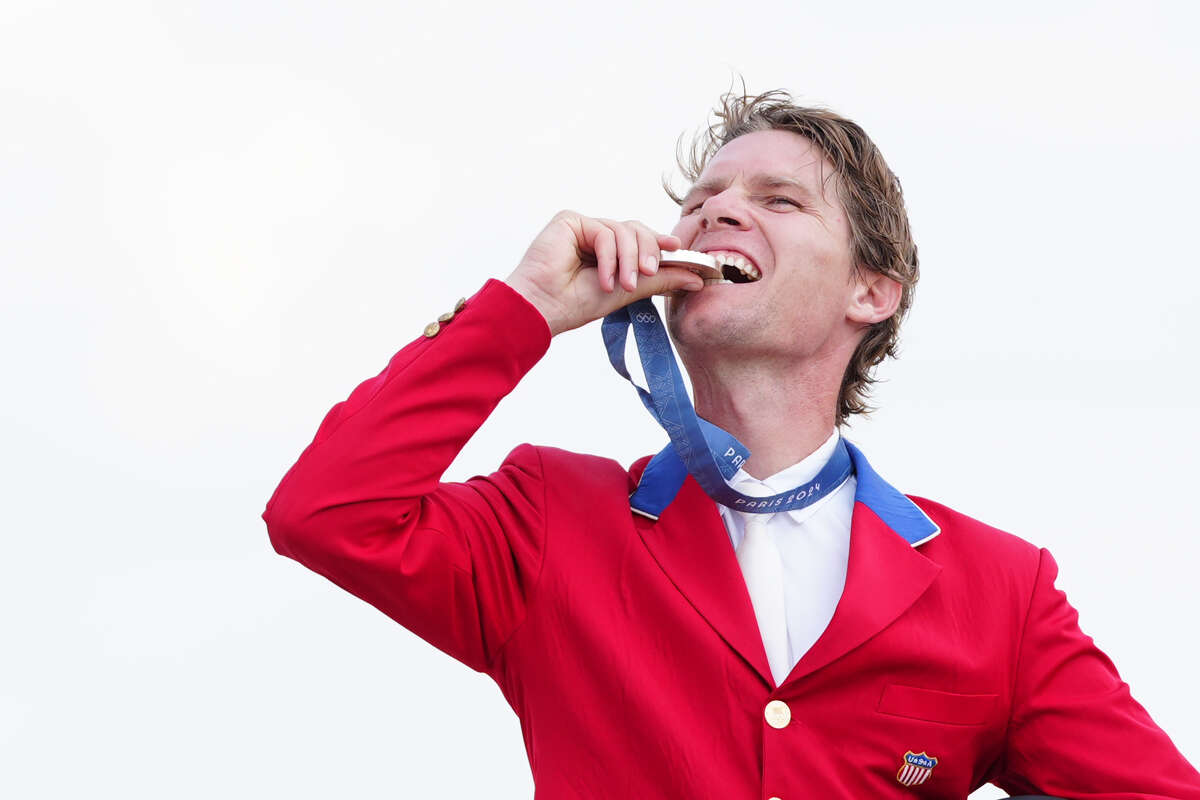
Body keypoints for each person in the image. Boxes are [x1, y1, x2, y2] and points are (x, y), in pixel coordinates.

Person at [262, 88, 1200, 798]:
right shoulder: (550, 519)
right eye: (702, 198)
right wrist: (525, 309)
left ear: (871, 292)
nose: (714, 211)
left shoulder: (999, 591)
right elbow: (325, 513)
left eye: (779, 199)